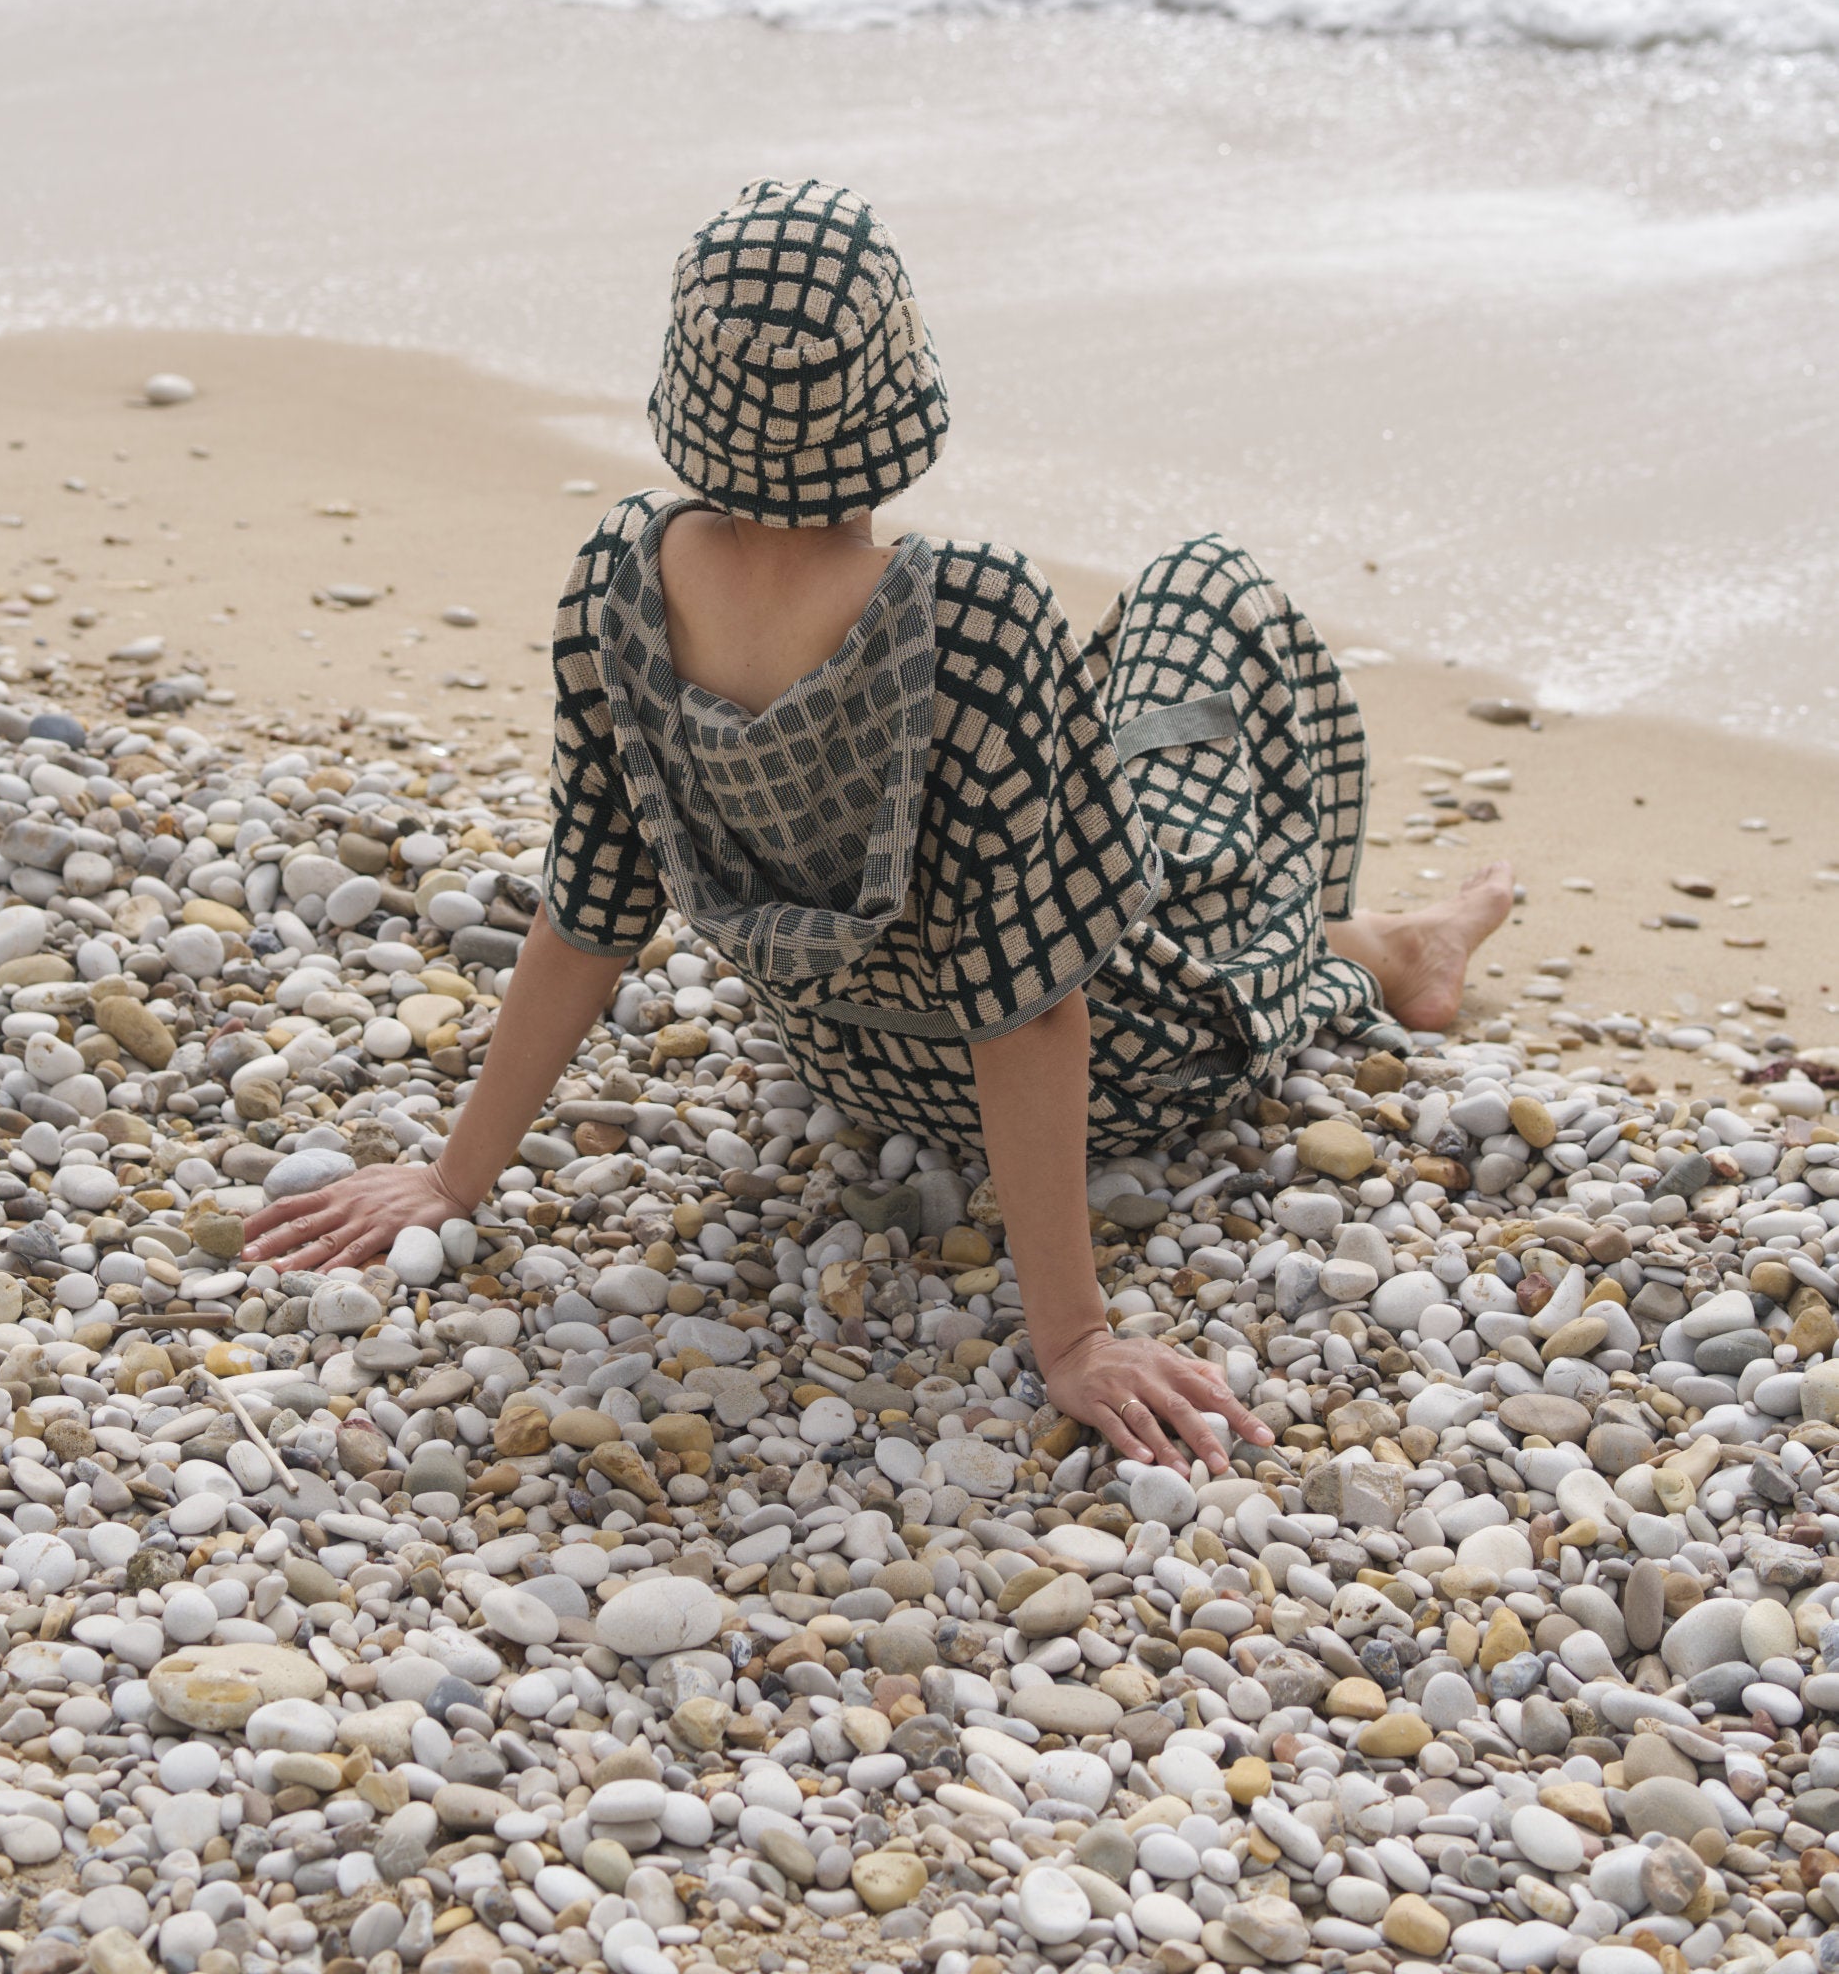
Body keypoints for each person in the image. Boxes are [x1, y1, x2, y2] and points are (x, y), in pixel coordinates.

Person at [247, 178, 1511, 1472]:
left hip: (852, 1067)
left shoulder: (615, 581)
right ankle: (1381, 953)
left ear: (691, 380)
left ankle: (1380, 942)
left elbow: (588, 913)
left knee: (1107, 747)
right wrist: (1073, 1338)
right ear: (893, 382)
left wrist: (454, 1180)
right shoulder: (972, 617)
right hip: (1124, 1071)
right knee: (1195, 605)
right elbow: (1033, 1004)